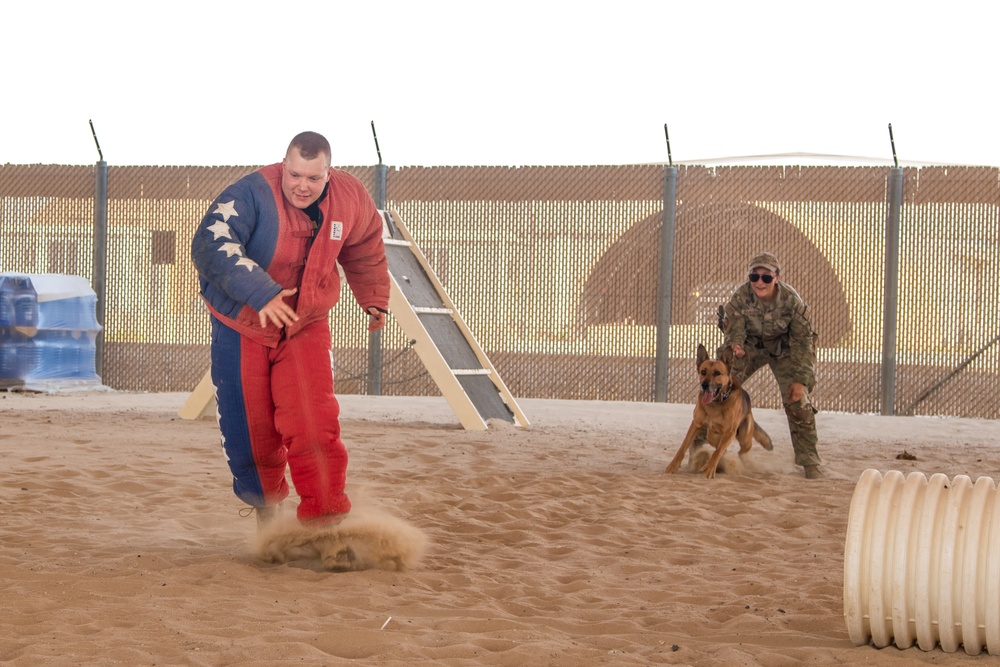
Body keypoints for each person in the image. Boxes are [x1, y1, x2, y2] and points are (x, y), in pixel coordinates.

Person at [191, 130, 390, 529]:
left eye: (313, 179)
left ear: (328, 174)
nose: (302, 186)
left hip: (305, 323)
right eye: (295, 175)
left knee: (314, 420)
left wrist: (373, 296)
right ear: (285, 165)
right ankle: (268, 518)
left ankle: (326, 522)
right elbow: (210, 244)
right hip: (245, 322)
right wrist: (262, 293)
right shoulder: (249, 193)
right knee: (251, 426)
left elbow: (365, 243)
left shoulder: (350, 197)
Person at [716, 252, 824, 479]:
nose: (759, 282)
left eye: (766, 277)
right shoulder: (741, 296)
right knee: (717, 388)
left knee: (798, 400)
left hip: (784, 349)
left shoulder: (792, 302)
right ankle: (702, 450)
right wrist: (736, 345)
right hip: (750, 346)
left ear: (777, 278)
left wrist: (800, 381)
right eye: (754, 276)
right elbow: (734, 328)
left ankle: (810, 463)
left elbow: (803, 344)